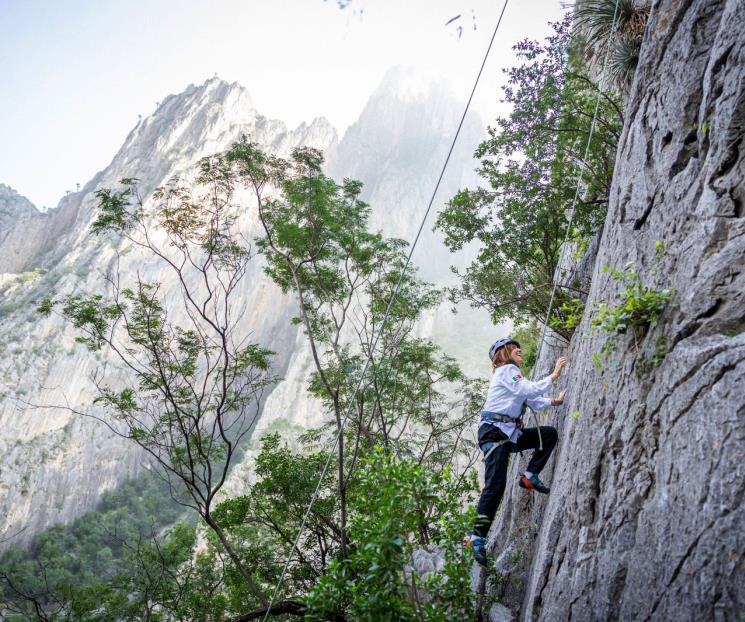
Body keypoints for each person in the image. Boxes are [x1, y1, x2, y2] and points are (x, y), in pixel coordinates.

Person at [468, 337, 567, 566]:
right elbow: (528, 389)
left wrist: (554, 402)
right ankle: (477, 537)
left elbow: (532, 398)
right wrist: (554, 375)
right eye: (513, 348)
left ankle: (530, 476)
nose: (518, 349)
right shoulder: (507, 371)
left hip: (507, 434)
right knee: (495, 485)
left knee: (549, 434)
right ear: (503, 354)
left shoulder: (512, 375)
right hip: (494, 434)